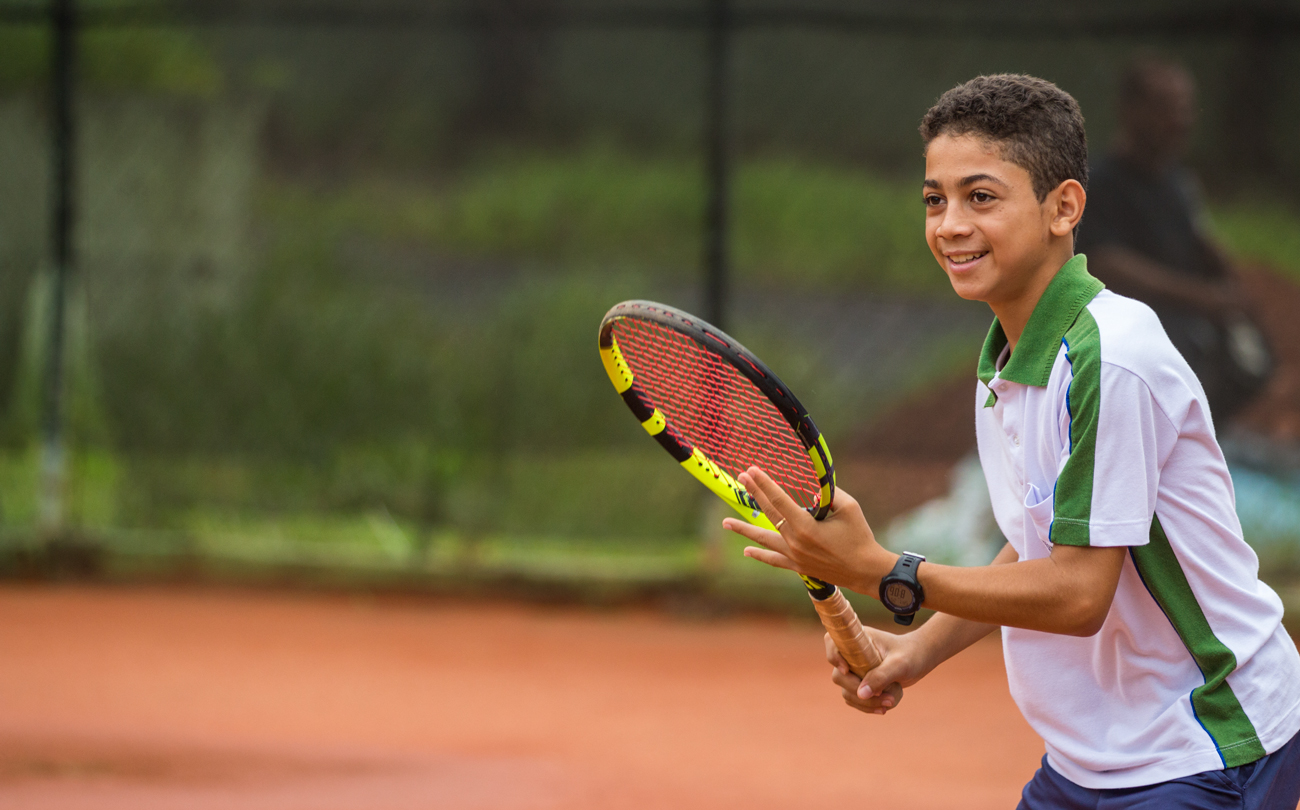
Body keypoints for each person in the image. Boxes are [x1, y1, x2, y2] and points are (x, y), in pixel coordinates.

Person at [725, 74, 1300, 809]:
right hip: (1091, 755)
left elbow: (1076, 592)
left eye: (981, 197)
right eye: (935, 199)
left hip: (1207, 745)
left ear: (1064, 207)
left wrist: (883, 572)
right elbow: (1037, 539)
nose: (950, 224)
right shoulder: (1008, 354)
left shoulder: (1111, 358)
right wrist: (917, 648)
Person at [1078, 58, 1272, 423]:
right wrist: (1198, 298)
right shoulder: (1098, 184)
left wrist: (1229, 279)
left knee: (1253, 362)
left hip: (1189, 317)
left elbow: (1200, 236)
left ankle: (1192, 442)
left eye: (1184, 107)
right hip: (1133, 328)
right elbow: (1103, 263)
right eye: (1165, 107)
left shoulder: (1178, 182)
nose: (1181, 119)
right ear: (1131, 111)